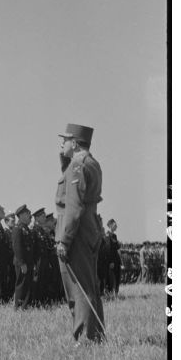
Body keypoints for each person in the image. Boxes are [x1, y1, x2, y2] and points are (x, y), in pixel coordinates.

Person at [55, 123, 105, 343]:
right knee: (90, 285)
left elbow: (73, 208)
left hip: (76, 232)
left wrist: (64, 240)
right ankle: (96, 335)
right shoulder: (90, 162)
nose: (62, 144)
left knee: (79, 288)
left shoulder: (76, 165)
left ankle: (85, 339)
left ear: (74, 143)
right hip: (89, 228)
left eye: (65, 140)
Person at [12, 205, 35, 310]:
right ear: (20, 216)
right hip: (22, 262)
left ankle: (25, 305)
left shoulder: (25, 228)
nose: (29, 215)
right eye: (26, 214)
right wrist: (22, 263)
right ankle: (19, 305)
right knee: (21, 284)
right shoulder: (17, 229)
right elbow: (17, 247)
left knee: (27, 283)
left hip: (28, 261)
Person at [105, 219, 121, 294]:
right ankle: (110, 293)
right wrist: (110, 261)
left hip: (116, 260)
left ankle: (116, 293)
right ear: (110, 225)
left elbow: (117, 248)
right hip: (111, 261)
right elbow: (108, 250)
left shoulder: (114, 236)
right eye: (115, 225)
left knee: (117, 277)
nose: (116, 227)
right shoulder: (107, 235)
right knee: (111, 278)